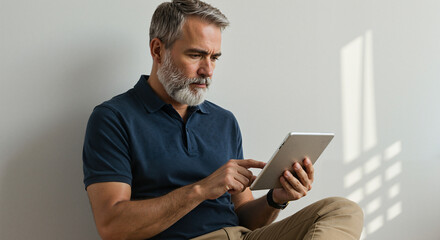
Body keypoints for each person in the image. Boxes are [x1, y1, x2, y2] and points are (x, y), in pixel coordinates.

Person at [82, 0, 364, 239]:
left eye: (215, 57)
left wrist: (276, 198)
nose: (208, 70)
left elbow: (245, 217)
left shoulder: (223, 121)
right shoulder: (114, 118)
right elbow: (112, 225)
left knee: (342, 210)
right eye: (196, 54)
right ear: (158, 50)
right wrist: (202, 189)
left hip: (239, 236)